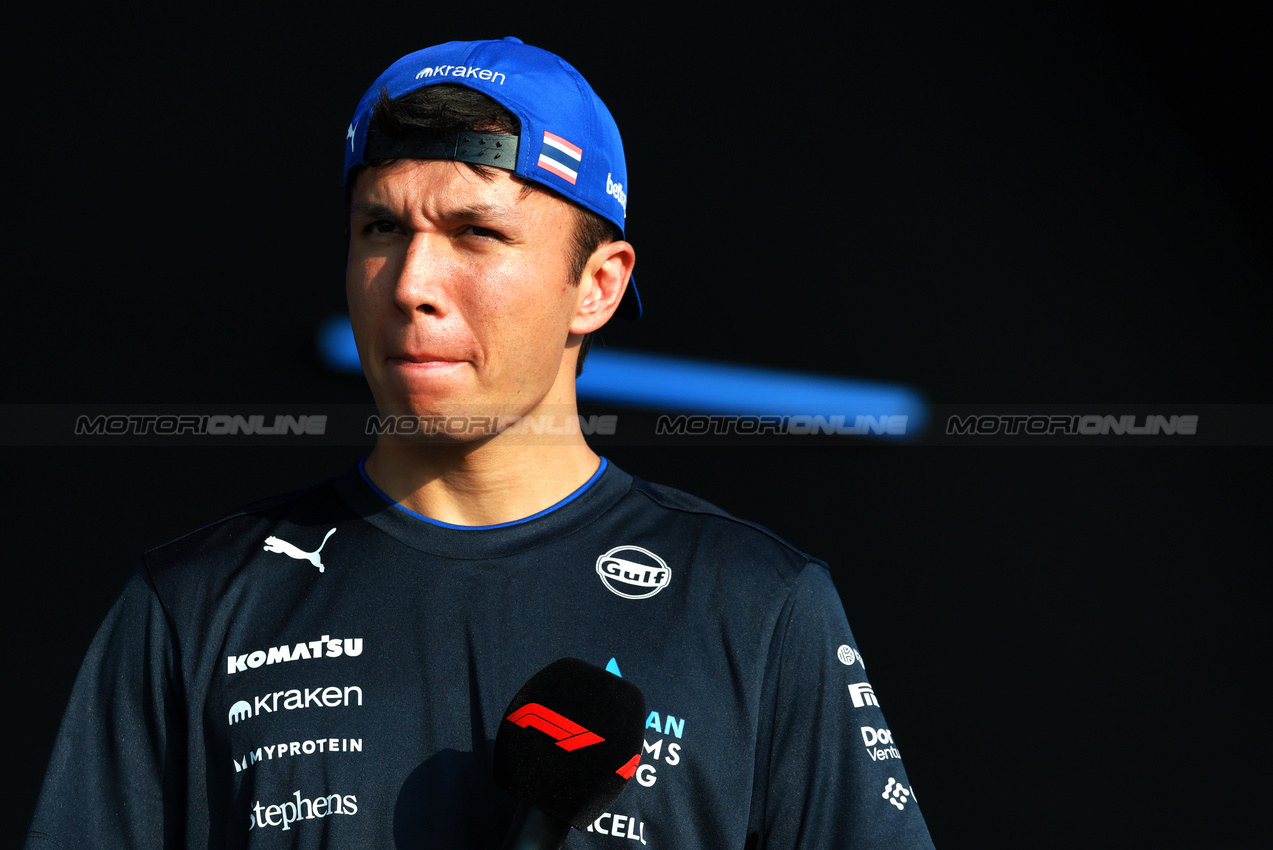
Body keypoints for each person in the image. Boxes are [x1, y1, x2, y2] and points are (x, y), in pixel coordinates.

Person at [25, 38, 934, 849]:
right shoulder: (192, 607)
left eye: (476, 233)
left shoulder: (758, 608)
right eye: (381, 227)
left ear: (596, 287)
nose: (412, 282)